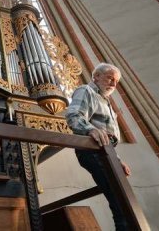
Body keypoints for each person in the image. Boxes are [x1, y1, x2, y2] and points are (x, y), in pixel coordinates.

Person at [66, 63, 131, 231]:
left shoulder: (107, 102)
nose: (114, 84)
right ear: (96, 77)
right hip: (92, 151)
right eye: (110, 78)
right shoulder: (85, 91)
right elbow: (74, 115)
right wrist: (90, 129)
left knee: (123, 203)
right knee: (121, 204)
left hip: (106, 152)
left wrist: (118, 160)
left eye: (116, 81)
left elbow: (107, 138)